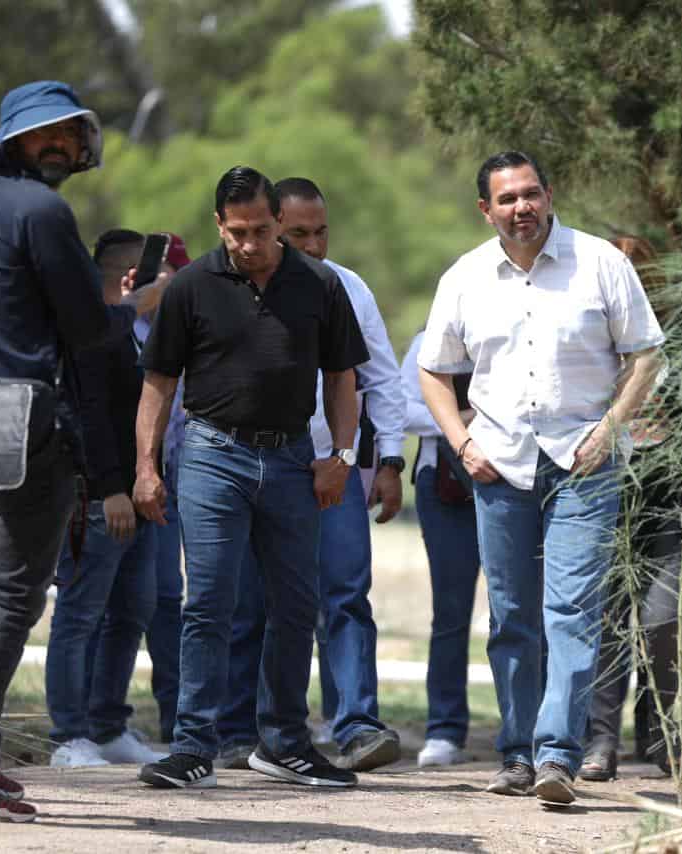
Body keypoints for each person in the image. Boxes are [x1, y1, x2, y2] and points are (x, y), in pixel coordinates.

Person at [0, 80, 164, 822]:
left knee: (7, 592)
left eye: (67, 134)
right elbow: (91, 331)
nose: (58, 145)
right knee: (14, 597)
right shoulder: (45, 211)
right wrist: (136, 307)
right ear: (15, 140)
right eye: (43, 134)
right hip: (26, 430)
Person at [419, 150, 665, 805]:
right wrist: (462, 442)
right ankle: (516, 754)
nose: (521, 208)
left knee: (573, 612)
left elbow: (646, 353)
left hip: (584, 466)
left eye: (530, 194)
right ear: (486, 209)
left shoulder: (601, 264)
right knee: (511, 618)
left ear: (548, 196)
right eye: (507, 199)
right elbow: (433, 369)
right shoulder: (466, 277)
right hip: (498, 467)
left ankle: (557, 754)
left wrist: (610, 429)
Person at [133, 166, 368, 790]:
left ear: (279, 224)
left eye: (261, 230)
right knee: (208, 602)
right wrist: (146, 468)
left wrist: (342, 459)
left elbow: (343, 379)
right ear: (219, 225)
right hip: (213, 454)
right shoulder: (190, 286)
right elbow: (158, 383)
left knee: (296, 604)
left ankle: (286, 742)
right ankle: (192, 746)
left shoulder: (319, 284)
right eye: (236, 232)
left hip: (293, 458)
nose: (248, 243)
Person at [217, 177, 407, 772]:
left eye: (322, 231)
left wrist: (389, 462)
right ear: (272, 227)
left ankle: (355, 725)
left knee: (345, 594)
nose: (315, 244)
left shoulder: (348, 288)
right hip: (253, 466)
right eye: (299, 233)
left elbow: (380, 378)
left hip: (336, 467)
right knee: (248, 599)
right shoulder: (231, 288)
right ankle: (236, 730)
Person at [45, 229, 171, 768]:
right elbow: (90, 414)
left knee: (132, 611)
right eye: (154, 275)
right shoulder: (92, 330)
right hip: (100, 498)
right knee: (80, 614)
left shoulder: (136, 331)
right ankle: (68, 735)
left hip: (143, 497)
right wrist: (110, 488)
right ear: (129, 276)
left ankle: (106, 722)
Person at [578, 234, 682, 781]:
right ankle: (601, 740)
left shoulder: (679, 349)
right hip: (606, 488)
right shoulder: (590, 346)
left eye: (645, 277)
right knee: (608, 620)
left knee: (662, 619)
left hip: (668, 496)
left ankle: (661, 732)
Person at [402, 329, 481, 767]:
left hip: (520, 479)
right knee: (450, 612)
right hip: (445, 486)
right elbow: (402, 409)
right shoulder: (428, 340)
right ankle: (445, 729)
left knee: (526, 610)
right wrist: (458, 419)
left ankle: (530, 729)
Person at [140, 233, 193, 743]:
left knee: (179, 597)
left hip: (186, 472)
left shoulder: (192, 323)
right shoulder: (124, 324)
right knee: (152, 595)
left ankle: (181, 715)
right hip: (140, 476)